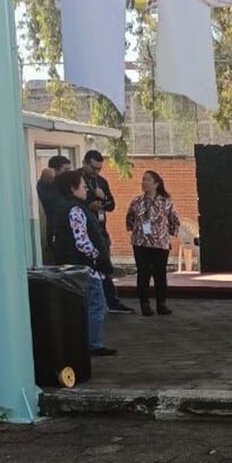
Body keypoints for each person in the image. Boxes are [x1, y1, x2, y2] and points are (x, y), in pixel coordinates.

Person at [53, 170, 115, 356]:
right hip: (86, 267)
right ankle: (93, 344)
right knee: (96, 305)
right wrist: (97, 257)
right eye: (82, 185)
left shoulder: (64, 207)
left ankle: (85, 342)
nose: (86, 189)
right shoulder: (76, 209)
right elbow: (82, 241)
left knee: (86, 306)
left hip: (74, 265)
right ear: (72, 188)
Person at [81, 151, 134, 314]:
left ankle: (112, 302)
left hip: (101, 230)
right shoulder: (77, 180)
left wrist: (103, 198)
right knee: (86, 270)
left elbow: (111, 205)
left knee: (105, 267)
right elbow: (71, 203)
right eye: (93, 168)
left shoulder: (101, 181)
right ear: (84, 163)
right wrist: (89, 205)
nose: (96, 171)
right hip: (84, 232)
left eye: (99, 168)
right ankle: (86, 304)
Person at [125, 170, 181, 317]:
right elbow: (130, 219)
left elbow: (175, 220)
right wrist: (137, 232)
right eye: (143, 179)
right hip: (141, 243)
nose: (144, 182)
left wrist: (164, 233)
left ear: (156, 184)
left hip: (160, 243)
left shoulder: (165, 202)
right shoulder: (137, 201)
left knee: (160, 274)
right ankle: (145, 304)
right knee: (143, 273)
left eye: (148, 180)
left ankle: (161, 304)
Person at [37, 155, 72, 264]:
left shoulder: (66, 185)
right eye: (66, 170)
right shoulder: (47, 185)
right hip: (56, 231)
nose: (68, 173)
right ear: (55, 170)